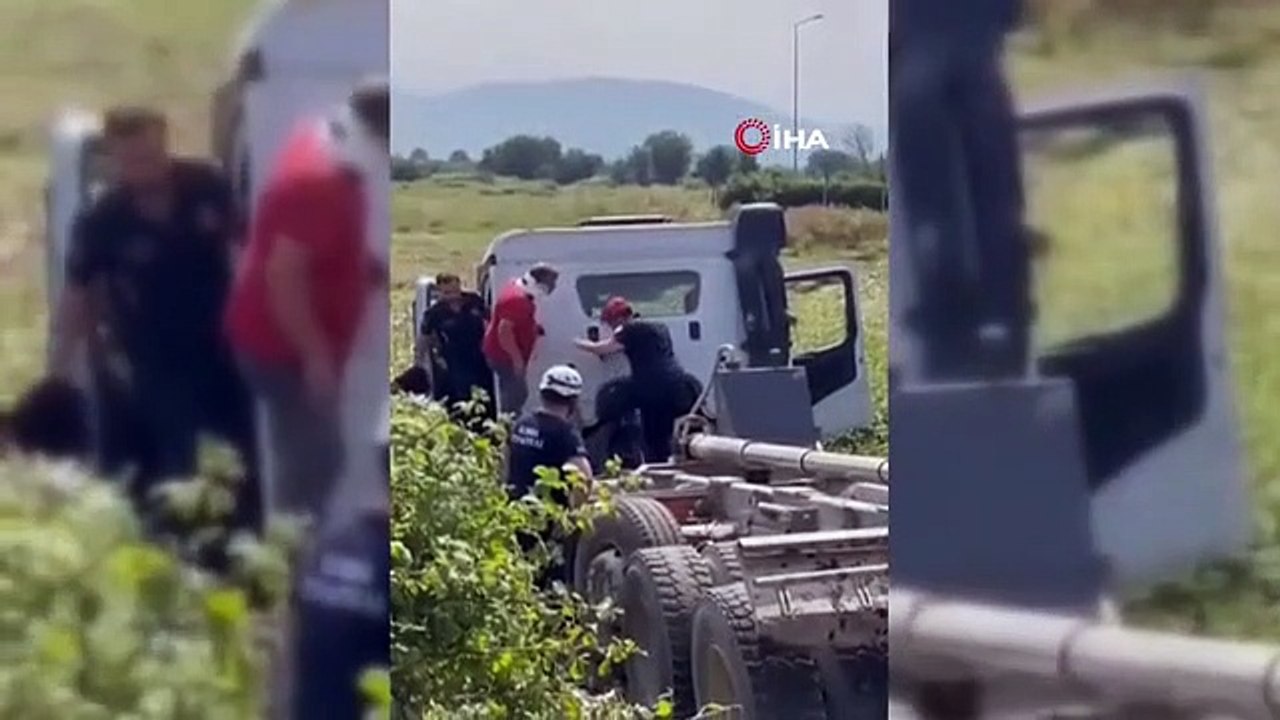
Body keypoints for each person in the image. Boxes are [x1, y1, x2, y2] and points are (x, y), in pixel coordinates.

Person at [51, 105, 261, 534]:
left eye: (151, 155)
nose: (145, 168)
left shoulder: (205, 187)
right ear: (113, 158)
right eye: (131, 160)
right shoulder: (102, 221)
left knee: (244, 458)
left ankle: (247, 553)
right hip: (156, 364)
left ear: (164, 142)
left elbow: (243, 256)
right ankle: (198, 559)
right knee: (185, 460)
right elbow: (77, 300)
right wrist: (58, 374)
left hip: (225, 352)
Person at [224, 79, 388, 525]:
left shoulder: (324, 144)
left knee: (316, 458)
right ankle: (294, 567)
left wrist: (361, 268)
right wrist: (315, 355)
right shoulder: (321, 182)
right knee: (314, 464)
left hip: (281, 336)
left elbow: (309, 246)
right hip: (282, 349)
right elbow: (285, 275)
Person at [575, 297, 702, 463]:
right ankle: (666, 460)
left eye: (610, 323)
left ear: (619, 318)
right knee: (663, 430)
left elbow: (603, 349)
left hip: (651, 386)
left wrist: (577, 343)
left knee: (646, 426)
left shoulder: (628, 330)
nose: (611, 327)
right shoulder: (659, 327)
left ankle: (648, 459)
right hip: (677, 383)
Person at [505, 365, 593, 586]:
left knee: (524, 571)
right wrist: (575, 518)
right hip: (549, 520)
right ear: (572, 402)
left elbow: (505, 463)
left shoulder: (521, 424)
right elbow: (583, 477)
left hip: (517, 510)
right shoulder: (565, 434)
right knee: (551, 578)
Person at [482, 263, 558, 416]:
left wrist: (532, 328)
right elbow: (504, 332)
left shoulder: (516, 289)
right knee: (516, 394)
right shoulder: (518, 300)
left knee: (516, 392)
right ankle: (508, 426)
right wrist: (516, 360)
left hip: (501, 353)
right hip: (503, 357)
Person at [421, 273, 492, 415]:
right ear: (440, 291)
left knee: (485, 391)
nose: (453, 296)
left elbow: (490, 321)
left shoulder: (474, 301)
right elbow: (425, 338)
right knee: (462, 393)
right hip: (455, 359)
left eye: (455, 291)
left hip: (480, 355)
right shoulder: (435, 313)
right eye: (447, 292)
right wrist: (424, 360)